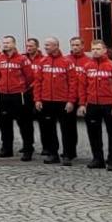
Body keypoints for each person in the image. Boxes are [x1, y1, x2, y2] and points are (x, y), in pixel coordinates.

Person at [77, 40, 112, 172]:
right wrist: (82, 104)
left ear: (105, 50)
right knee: (93, 133)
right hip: (92, 104)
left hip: (109, 104)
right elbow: (82, 86)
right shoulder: (87, 66)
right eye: (93, 49)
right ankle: (97, 158)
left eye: (98, 48)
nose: (95, 51)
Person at [32, 37, 77, 165]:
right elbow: (38, 82)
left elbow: (73, 83)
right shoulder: (43, 62)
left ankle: (67, 155)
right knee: (48, 129)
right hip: (46, 101)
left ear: (56, 46)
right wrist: (37, 99)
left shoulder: (67, 62)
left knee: (66, 129)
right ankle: (53, 154)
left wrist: (71, 101)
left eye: (48, 45)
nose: (45, 47)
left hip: (63, 101)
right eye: (45, 45)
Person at [0, 35, 33, 159]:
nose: (5, 45)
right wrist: (0, 86)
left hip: (19, 95)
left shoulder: (22, 59)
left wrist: (21, 88)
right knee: (5, 123)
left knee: (24, 124)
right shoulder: (0, 59)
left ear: (14, 44)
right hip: (4, 95)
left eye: (8, 42)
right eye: (4, 43)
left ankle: (27, 149)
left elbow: (30, 77)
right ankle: (7, 149)